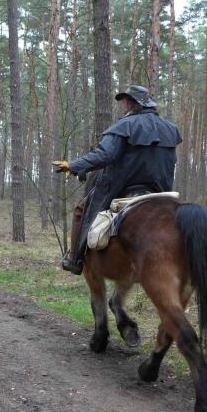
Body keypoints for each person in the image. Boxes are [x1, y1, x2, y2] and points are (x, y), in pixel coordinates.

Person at [53, 85, 182, 275]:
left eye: (126, 101)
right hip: (160, 189)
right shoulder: (170, 128)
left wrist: (73, 166)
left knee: (80, 210)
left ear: (131, 103)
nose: (124, 105)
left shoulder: (124, 125)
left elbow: (104, 155)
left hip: (122, 187)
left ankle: (75, 259)